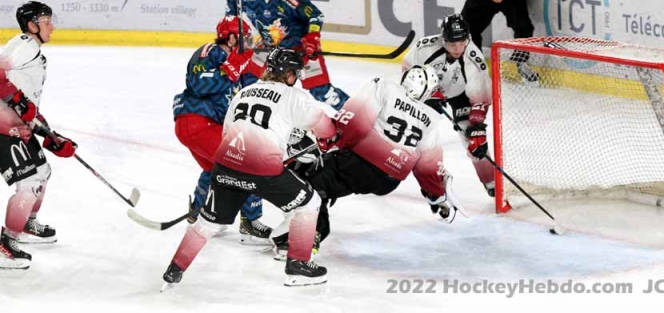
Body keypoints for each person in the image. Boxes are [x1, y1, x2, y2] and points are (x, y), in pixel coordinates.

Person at [162, 48, 336, 289]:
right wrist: (327, 138)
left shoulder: (244, 91)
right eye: (295, 73)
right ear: (288, 74)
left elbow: (227, 131)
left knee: (207, 222)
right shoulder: (294, 95)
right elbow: (326, 129)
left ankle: (174, 270)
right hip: (263, 170)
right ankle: (298, 266)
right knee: (310, 202)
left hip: (225, 166)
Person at [270, 64, 458, 258]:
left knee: (309, 183)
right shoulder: (431, 119)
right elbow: (428, 166)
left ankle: (307, 238)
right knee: (324, 177)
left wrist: (334, 139)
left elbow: (354, 119)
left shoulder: (384, 86)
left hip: (358, 165)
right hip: (388, 181)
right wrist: (436, 196)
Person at [172, 16, 272, 245]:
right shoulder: (212, 51)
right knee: (246, 163)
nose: (248, 41)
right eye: (245, 37)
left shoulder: (239, 60)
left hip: (205, 125)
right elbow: (198, 83)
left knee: (214, 169)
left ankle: (198, 213)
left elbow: (255, 83)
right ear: (232, 37)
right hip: (197, 120)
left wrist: (268, 49)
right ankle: (250, 221)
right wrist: (231, 67)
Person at [0, 1, 77, 269]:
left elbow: (26, 100)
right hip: (3, 126)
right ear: (32, 25)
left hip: (18, 125)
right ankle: (5, 245)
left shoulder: (31, 50)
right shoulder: (25, 45)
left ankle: (26, 223)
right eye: (46, 22)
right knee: (30, 181)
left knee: (42, 172)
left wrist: (49, 133)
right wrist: (19, 102)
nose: (52, 27)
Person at [226, 0, 349, 110]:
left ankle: (355, 113)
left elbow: (315, 16)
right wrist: (234, 31)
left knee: (322, 91)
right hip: (269, 47)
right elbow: (231, 6)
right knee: (243, 80)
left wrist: (312, 37)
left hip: (300, 49)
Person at [401, 14, 495, 197]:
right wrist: (425, 93)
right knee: (410, 130)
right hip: (428, 90)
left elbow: (481, 97)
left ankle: (491, 181)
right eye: (452, 44)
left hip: (461, 95)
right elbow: (407, 72)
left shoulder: (473, 57)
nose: (458, 48)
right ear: (443, 39)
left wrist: (477, 128)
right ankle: (389, 164)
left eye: (462, 42)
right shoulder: (424, 48)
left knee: (473, 139)